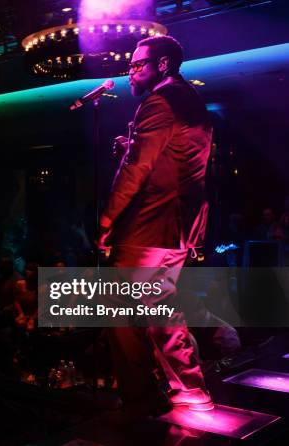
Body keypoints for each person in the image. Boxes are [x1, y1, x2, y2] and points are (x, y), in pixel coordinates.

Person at [97, 35, 214, 416]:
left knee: (120, 311)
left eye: (137, 65)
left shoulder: (160, 102)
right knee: (158, 308)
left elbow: (137, 170)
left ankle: (142, 397)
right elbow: (178, 160)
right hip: (176, 225)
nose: (129, 72)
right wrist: (130, 144)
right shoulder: (190, 101)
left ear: (162, 64)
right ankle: (187, 389)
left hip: (149, 223)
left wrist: (107, 219)